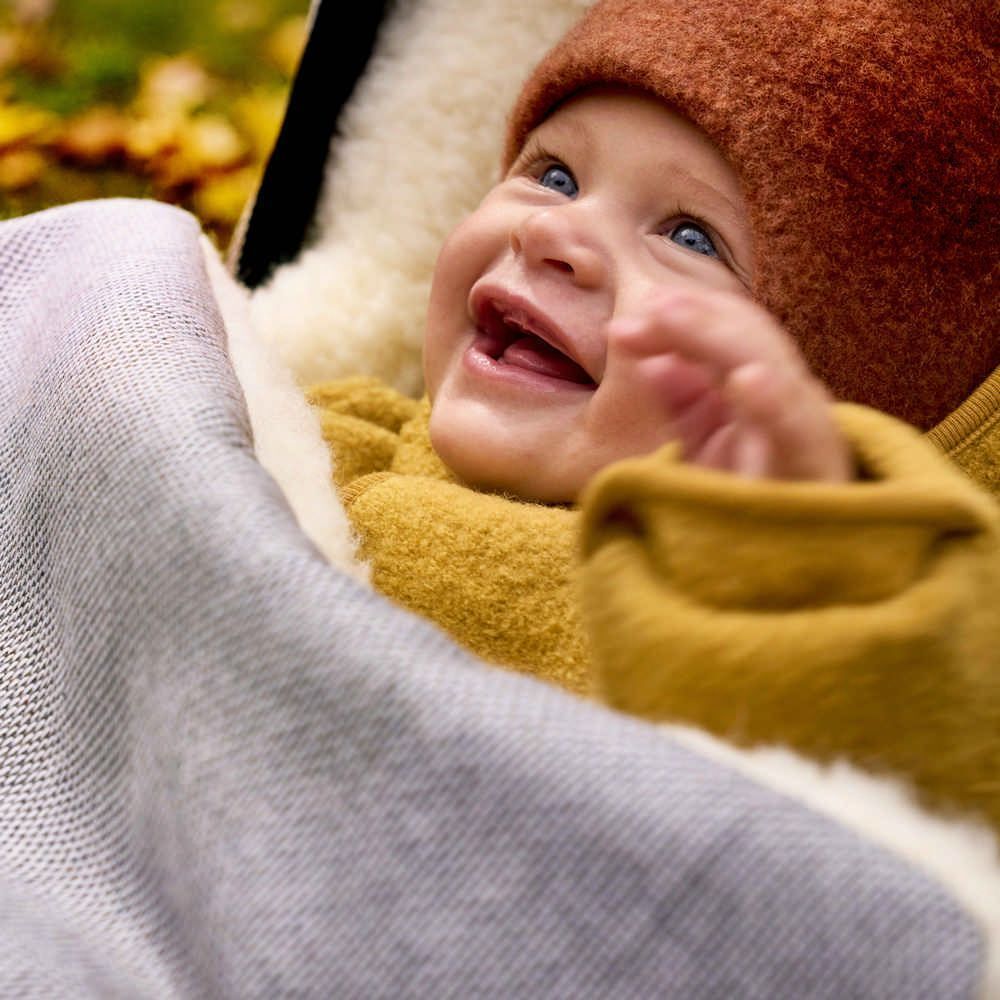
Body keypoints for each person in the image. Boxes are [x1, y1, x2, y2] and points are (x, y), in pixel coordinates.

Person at [306, 0, 1000, 832]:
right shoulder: (311, 441)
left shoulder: (799, 654)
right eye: (554, 174)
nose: (557, 233)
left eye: (691, 236)